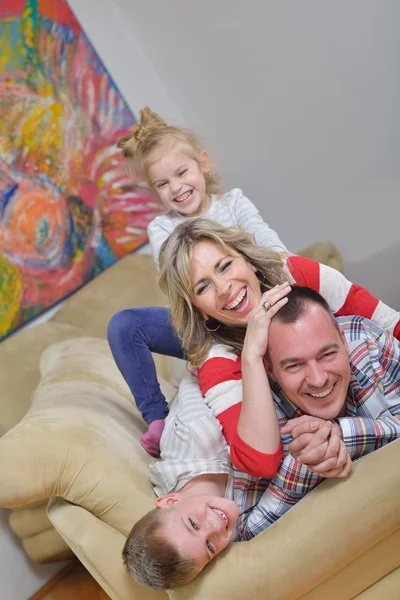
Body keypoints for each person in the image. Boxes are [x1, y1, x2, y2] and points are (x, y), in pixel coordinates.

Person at [122, 286, 400, 590]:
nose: (216, 527)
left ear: (170, 500)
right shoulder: (239, 527)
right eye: (211, 548)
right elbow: (296, 472)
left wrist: (344, 434)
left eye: (193, 524)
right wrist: (319, 447)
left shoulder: (196, 430)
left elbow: (200, 375)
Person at [107, 106, 288, 457]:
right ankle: (158, 420)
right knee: (124, 325)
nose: (176, 188)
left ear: (203, 163)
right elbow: (182, 282)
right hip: (203, 322)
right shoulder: (160, 229)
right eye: (163, 184)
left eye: (182, 172)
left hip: (248, 306)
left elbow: (271, 247)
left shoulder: (234, 203)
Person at [158, 218, 400, 477]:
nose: (223, 288)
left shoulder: (297, 273)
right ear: (198, 310)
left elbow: (391, 325)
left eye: (225, 266)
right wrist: (251, 354)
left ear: (248, 261)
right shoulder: (217, 360)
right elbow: (261, 462)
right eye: (203, 286)